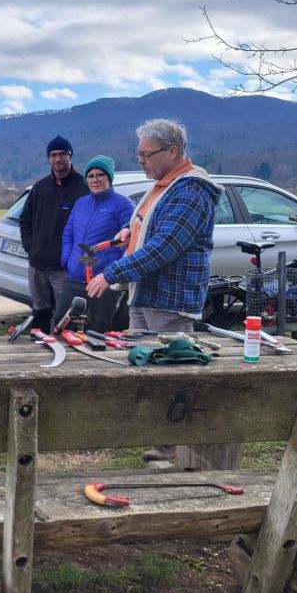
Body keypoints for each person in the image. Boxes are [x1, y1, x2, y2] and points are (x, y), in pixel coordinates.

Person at [87, 119, 219, 464]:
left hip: (170, 297)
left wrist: (111, 272)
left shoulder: (191, 190)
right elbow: (149, 228)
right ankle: (160, 440)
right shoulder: (164, 185)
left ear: (172, 151)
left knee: (173, 371)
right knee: (146, 364)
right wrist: (130, 233)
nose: (140, 160)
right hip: (146, 293)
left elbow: (165, 246)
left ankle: (177, 446)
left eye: (147, 154)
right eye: (139, 154)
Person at [19, 135, 90, 332]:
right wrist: (31, 248)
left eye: (62, 154)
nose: (57, 159)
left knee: (66, 315)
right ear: (48, 158)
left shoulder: (83, 187)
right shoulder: (40, 188)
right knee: (40, 312)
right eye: (53, 155)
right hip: (38, 265)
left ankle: (67, 354)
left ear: (70, 156)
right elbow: (25, 220)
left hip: (64, 268)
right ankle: (40, 350)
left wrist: (74, 258)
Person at [56, 155, 134, 332]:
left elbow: (130, 240)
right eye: (90, 176)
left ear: (109, 178)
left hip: (103, 280)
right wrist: (67, 260)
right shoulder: (81, 203)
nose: (95, 179)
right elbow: (68, 234)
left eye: (100, 175)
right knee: (62, 323)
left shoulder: (123, 204)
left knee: (99, 328)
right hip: (75, 276)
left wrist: (113, 270)